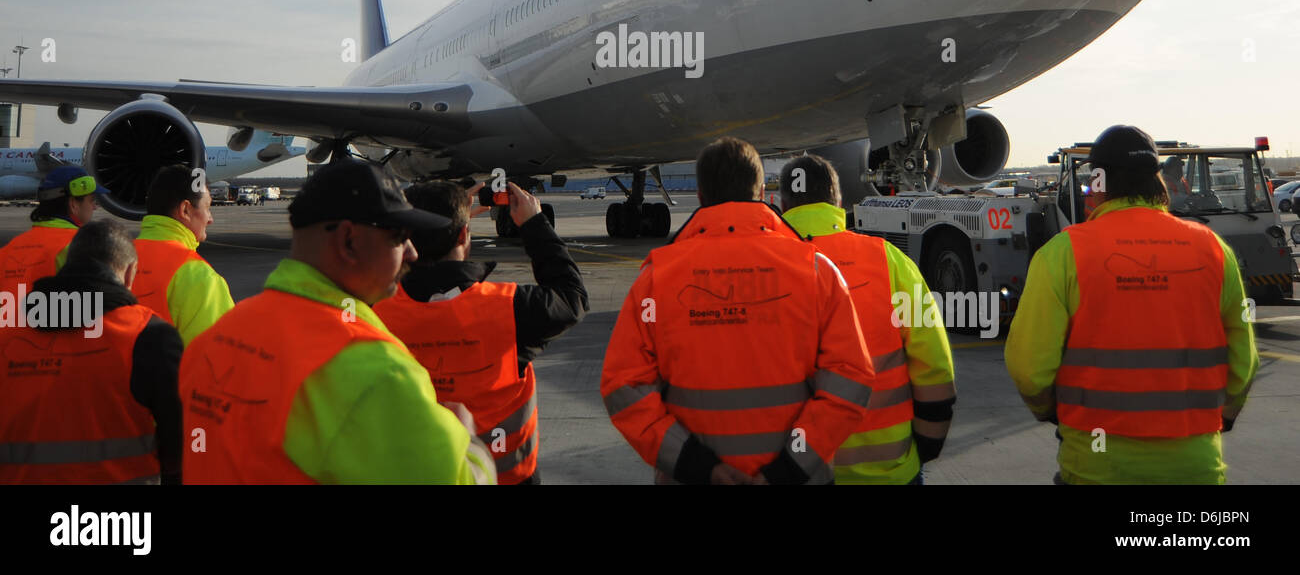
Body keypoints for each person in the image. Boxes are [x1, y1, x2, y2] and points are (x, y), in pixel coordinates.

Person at [180, 159, 495, 484]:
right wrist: (469, 442)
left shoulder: (215, 338)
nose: (412, 253)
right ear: (348, 241)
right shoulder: (376, 372)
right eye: (399, 236)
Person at [601, 136, 875, 485]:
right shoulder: (817, 270)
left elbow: (622, 387)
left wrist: (695, 465)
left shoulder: (657, 277)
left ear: (700, 195)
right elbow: (852, 378)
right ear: (761, 192)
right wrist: (789, 468)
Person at [1005, 125, 1259, 485]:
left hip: (1096, 465)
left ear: (1097, 182)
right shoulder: (1213, 249)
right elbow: (1244, 359)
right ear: (1157, 181)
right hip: (1196, 465)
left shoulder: (1063, 252)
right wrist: (1224, 416)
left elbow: (1028, 367)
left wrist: (1053, 413)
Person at [374, 179, 588, 484]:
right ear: (464, 234)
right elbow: (572, 297)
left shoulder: (374, 312)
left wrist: (432, 229)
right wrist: (534, 224)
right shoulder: (510, 307)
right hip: (504, 477)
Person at [779, 153, 956, 485]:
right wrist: (929, 444)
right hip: (890, 470)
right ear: (838, 199)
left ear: (781, 202)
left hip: (795, 470)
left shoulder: (766, 267)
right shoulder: (889, 260)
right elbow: (935, 364)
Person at [0, 221, 183, 484]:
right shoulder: (149, 337)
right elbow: (181, 436)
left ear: (66, 267)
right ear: (131, 273)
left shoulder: (8, 335)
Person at [132, 164, 234, 345]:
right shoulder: (199, 277)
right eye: (207, 207)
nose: (210, 219)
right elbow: (214, 361)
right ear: (185, 210)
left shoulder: (109, 260)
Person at [0, 165, 103, 300]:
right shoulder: (83, 247)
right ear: (73, 204)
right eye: (92, 200)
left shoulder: (7, 250)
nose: (94, 207)